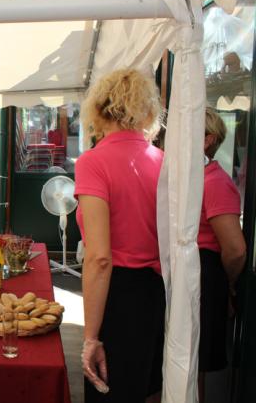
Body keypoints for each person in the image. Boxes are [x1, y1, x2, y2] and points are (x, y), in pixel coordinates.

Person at [75, 69, 164, 403]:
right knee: (145, 388)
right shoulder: (162, 161)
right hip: (157, 292)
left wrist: (90, 337)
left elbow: (100, 258)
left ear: (98, 108)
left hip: (117, 294)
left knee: (109, 391)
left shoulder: (93, 162)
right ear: (147, 109)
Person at [197, 107, 246, 402]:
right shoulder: (196, 178)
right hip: (197, 275)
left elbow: (236, 249)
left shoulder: (215, 182)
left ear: (208, 140)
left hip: (206, 276)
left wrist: (225, 283)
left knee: (196, 364)